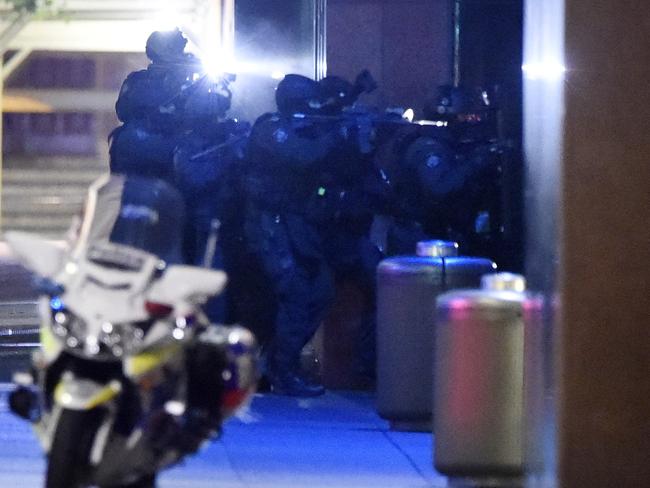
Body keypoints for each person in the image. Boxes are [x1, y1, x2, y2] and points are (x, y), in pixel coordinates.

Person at [242, 74, 342, 396]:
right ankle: (284, 371)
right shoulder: (271, 128)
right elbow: (302, 156)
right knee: (295, 293)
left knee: (322, 289)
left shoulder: (308, 128)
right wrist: (335, 135)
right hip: (268, 225)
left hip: (294, 227)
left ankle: (278, 362)